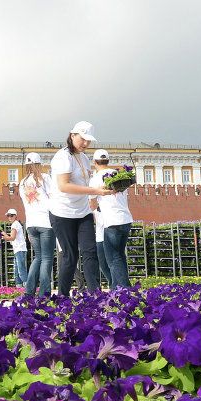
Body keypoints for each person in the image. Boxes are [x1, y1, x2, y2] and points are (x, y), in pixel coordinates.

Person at [49, 121, 115, 297]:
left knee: (90, 251)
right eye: (83, 139)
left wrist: (105, 189)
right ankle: (62, 297)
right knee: (70, 257)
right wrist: (95, 191)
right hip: (62, 213)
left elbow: (86, 183)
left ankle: (95, 294)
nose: (85, 143)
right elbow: (64, 186)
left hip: (83, 212)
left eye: (89, 141)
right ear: (72, 135)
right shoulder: (62, 157)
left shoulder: (85, 158)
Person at [90, 149, 134, 288]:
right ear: (108, 161)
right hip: (126, 220)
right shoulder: (119, 175)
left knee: (113, 259)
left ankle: (121, 290)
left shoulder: (95, 178)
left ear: (94, 162)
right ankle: (123, 287)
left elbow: (92, 204)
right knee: (120, 256)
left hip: (111, 222)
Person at [19, 153, 54, 297]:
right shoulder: (44, 178)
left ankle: (29, 291)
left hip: (31, 224)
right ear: (40, 164)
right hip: (45, 222)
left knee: (38, 257)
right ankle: (44, 293)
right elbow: (54, 197)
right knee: (46, 258)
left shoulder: (22, 182)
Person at [1, 208, 28, 287]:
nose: (9, 217)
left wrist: (3, 234)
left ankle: (27, 286)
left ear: (15, 216)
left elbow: (12, 238)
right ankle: (19, 286)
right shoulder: (16, 224)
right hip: (19, 249)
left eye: (11, 215)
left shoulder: (15, 224)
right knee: (17, 269)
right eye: (8, 216)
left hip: (19, 249)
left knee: (20, 269)